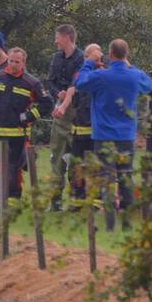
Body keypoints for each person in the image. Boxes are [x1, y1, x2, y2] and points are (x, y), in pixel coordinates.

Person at [74, 38, 152, 231]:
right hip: (126, 137)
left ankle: (109, 225)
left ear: (109, 55)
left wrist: (89, 62)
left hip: (103, 137)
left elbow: (79, 82)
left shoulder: (101, 76)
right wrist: (129, 65)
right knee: (126, 179)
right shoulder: (134, 76)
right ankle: (126, 224)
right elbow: (149, 84)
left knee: (106, 180)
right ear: (126, 55)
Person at [0, 47, 53, 212]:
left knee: (12, 170)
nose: (13, 64)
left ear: (23, 63)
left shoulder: (31, 82)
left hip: (16, 135)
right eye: (11, 61)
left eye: (17, 62)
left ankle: (12, 205)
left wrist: (28, 117)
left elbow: (47, 104)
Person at [54, 44, 103, 202]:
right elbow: (71, 90)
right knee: (76, 168)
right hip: (79, 131)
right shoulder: (81, 75)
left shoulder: (103, 75)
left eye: (89, 56)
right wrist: (62, 107)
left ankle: (96, 202)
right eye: (86, 56)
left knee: (96, 168)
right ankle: (78, 201)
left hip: (96, 134)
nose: (85, 59)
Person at [46, 24, 84, 210]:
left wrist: (67, 96)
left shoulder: (81, 58)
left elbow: (76, 84)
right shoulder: (56, 58)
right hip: (60, 111)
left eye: (57, 37)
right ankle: (56, 201)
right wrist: (57, 93)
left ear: (67, 37)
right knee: (57, 156)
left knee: (75, 157)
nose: (55, 41)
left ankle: (77, 200)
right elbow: (50, 81)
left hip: (77, 113)